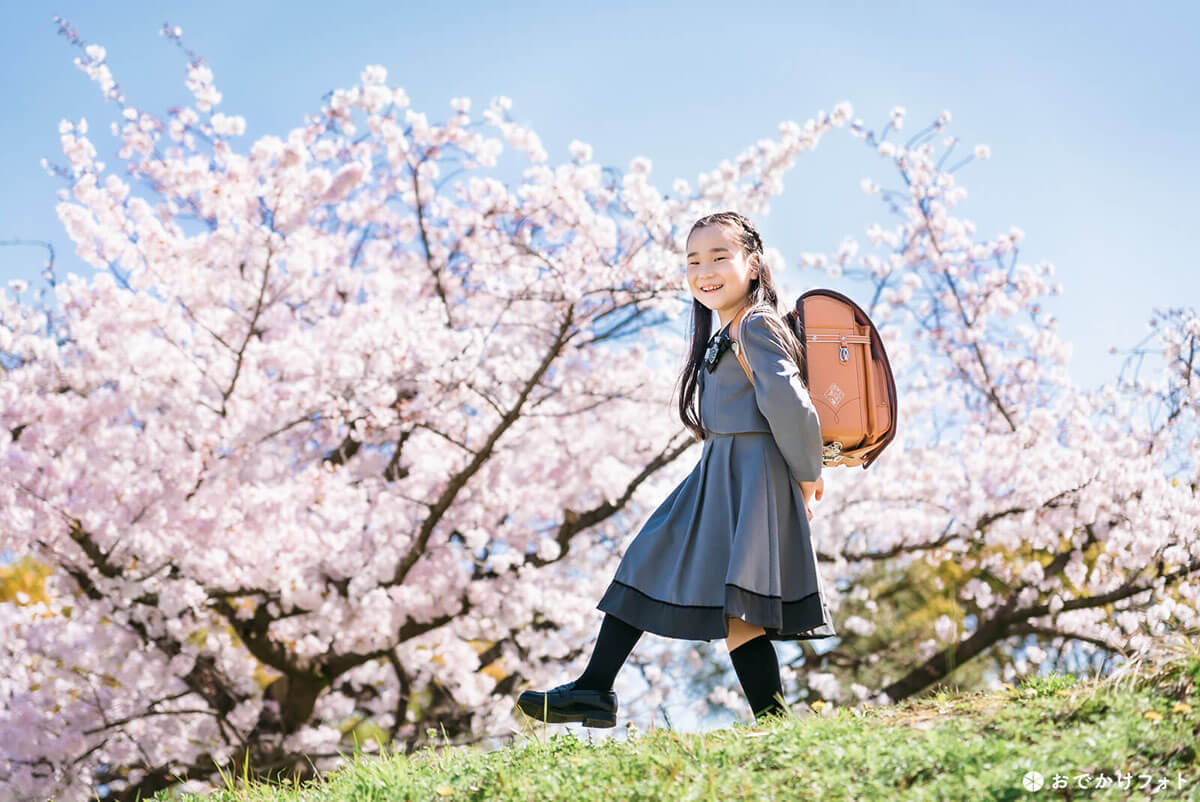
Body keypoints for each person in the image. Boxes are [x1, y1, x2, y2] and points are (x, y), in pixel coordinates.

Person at [517, 211, 834, 729]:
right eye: (693, 261)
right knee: (685, 577)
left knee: (722, 597)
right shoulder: (728, 330)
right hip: (722, 471)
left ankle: (769, 724)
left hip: (750, 475)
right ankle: (601, 688)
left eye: (719, 257)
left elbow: (791, 405)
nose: (704, 271)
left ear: (753, 264)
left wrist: (806, 477)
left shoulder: (756, 324)